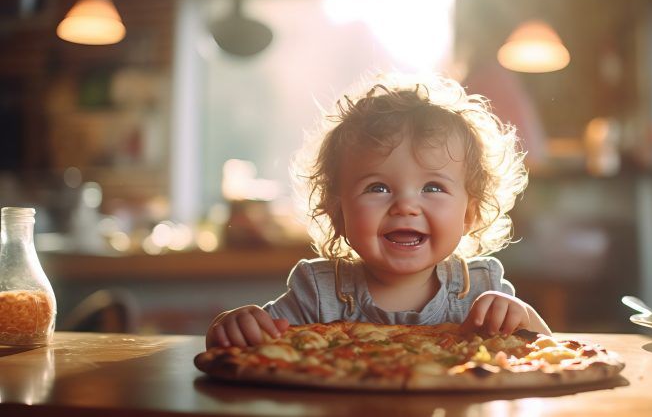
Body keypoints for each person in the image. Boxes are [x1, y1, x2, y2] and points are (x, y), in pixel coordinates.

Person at [205, 73, 550, 348]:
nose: (405, 206)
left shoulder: (480, 289)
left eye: (433, 187)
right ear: (338, 213)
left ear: (469, 214)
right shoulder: (318, 294)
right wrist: (232, 326)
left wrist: (522, 316)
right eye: (378, 188)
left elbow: (546, 348)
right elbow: (250, 345)